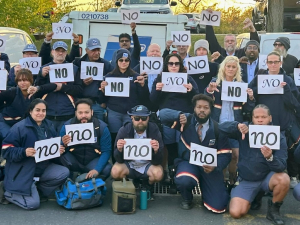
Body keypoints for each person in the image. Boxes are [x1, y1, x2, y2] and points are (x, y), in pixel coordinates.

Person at [159, 94, 231, 212]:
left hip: (209, 168)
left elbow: (226, 154)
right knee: (184, 180)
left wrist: (215, 166)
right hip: (188, 163)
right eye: (199, 107)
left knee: (218, 206)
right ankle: (187, 198)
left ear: (210, 110)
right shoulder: (185, 122)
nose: (202, 110)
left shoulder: (218, 129)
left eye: (206, 107)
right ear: (194, 108)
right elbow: (162, 114)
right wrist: (178, 115)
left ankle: (208, 192)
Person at [219, 104, 290, 225]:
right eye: (257, 117)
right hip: (247, 179)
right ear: (252, 118)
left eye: (264, 117)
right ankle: (255, 196)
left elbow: (281, 166)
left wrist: (270, 157)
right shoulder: (244, 130)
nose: (260, 119)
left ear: (270, 118)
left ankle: (273, 210)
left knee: (284, 179)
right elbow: (220, 128)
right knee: (236, 213)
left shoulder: (279, 137)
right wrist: (237, 125)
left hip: (267, 178)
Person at [0, 99, 69, 209]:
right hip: (23, 169)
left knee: (63, 172)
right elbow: (6, 150)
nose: (41, 113)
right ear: (31, 111)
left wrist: (61, 145)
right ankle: (7, 193)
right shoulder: (19, 128)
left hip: (42, 167)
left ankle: (37, 190)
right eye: (37, 110)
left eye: (43, 110)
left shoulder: (49, 124)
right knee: (33, 204)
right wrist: (24, 152)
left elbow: (53, 143)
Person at [248, 51, 300, 189]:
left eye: (275, 62)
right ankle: (266, 180)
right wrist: (252, 95)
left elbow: (294, 104)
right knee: (263, 151)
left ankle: (291, 176)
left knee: (286, 152)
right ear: (266, 63)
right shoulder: (260, 78)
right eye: (270, 62)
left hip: (282, 124)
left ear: (280, 63)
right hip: (263, 125)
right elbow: (251, 98)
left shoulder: (288, 80)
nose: (273, 64)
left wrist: (286, 90)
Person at [205, 56, 255, 185]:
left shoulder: (241, 85)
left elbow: (249, 109)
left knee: (235, 155)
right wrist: (209, 90)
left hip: (234, 124)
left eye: (234, 67)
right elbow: (204, 102)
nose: (231, 69)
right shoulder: (215, 82)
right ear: (223, 67)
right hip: (218, 123)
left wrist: (250, 97)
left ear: (237, 69)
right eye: (228, 66)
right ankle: (221, 181)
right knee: (221, 154)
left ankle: (232, 179)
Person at [150, 53, 199, 174]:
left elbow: (197, 98)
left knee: (180, 146)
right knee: (170, 146)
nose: (173, 66)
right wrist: (157, 90)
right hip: (167, 118)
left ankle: (180, 172)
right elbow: (152, 102)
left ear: (180, 65)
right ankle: (172, 172)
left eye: (176, 63)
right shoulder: (160, 78)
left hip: (184, 119)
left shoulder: (187, 78)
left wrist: (191, 90)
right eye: (171, 63)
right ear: (166, 65)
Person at [100, 48, 149, 161]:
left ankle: (129, 163)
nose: (123, 62)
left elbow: (143, 98)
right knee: (115, 138)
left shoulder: (136, 76)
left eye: (126, 60)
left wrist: (142, 86)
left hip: (130, 113)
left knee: (130, 138)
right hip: (114, 112)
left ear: (130, 62)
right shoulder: (108, 77)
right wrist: (102, 90)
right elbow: (102, 99)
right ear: (117, 61)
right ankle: (116, 161)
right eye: (121, 60)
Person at [111, 105, 164, 194]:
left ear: (148, 118)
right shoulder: (124, 130)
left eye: (143, 118)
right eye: (137, 118)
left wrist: (156, 151)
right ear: (132, 118)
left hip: (147, 165)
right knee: (115, 172)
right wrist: (119, 150)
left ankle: (148, 185)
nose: (140, 121)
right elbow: (117, 159)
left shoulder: (154, 130)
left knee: (158, 174)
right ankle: (128, 186)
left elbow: (159, 160)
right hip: (129, 164)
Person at [34, 41, 83, 133]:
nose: (60, 53)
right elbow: (37, 91)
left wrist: (62, 87)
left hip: (68, 114)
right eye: (57, 50)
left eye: (63, 51)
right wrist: (41, 76)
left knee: (65, 143)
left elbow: (79, 90)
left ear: (66, 53)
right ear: (52, 52)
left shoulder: (74, 69)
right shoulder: (44, 69)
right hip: (48, 114)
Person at [60, 99, 112, 180]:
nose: (83, 115)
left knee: (107, 169)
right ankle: (68, 182)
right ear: (75, 113)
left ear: (92, 112)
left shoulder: (102, 127)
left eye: (86, 112)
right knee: (59, 158)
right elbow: (59, 150)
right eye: (80, 113)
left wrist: (97, 169)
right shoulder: (66, 126)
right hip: (74, 160)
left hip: (93, 160)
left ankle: (94, 185)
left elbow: (106, 151)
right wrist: (63, 144)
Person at [0, 69, 55, 140]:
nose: (22, 83)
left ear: (31, 81)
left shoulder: (35, 93)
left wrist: (37, 88)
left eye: (25, 80)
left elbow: (53, 86)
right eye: (19, 81)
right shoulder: (11, 92)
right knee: (10, 137)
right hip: (6, 122)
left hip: (23, 124)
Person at [73, 38, 114, 121]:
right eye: (93, 50)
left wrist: (105, 101)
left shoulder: (106, 65)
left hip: (97, 104)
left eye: (98, 50)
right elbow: (71, 84)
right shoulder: (77, 63)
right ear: (86, 50)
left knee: (98, 129)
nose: (97, 53)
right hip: (81, 103)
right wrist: (82, 83)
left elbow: (113, 84)